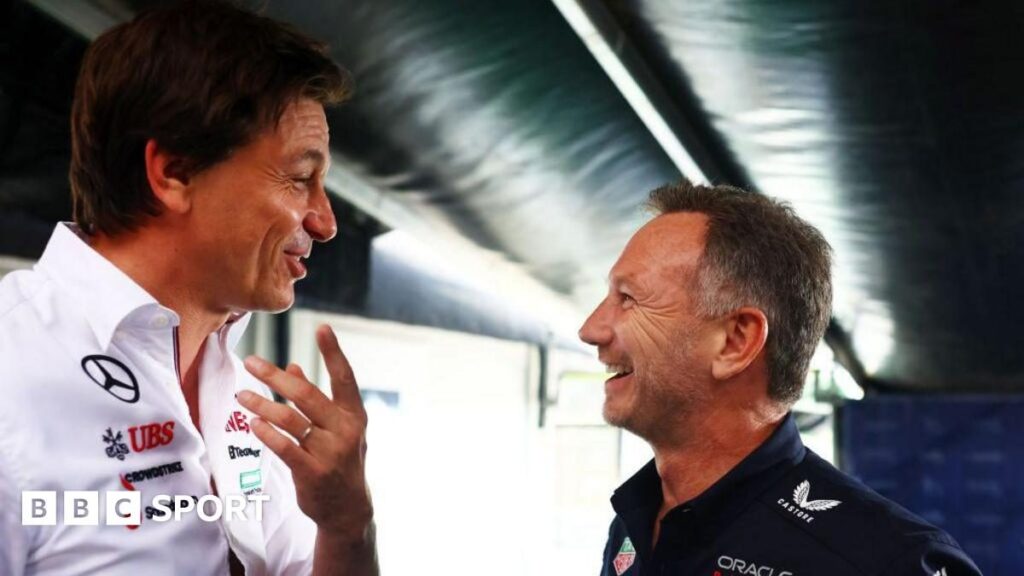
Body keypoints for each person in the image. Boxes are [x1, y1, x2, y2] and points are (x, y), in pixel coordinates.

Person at [0, 2, 377, 575]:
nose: (325, 221)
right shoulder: (11, 367)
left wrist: (348, 526)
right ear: (174, 172)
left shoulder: (234, 386)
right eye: (300, 179)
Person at [579, 181, 981, 576]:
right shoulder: (634, 524)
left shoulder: (892, 563)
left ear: (736, 341)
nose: (591, 329)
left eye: (628, 299)